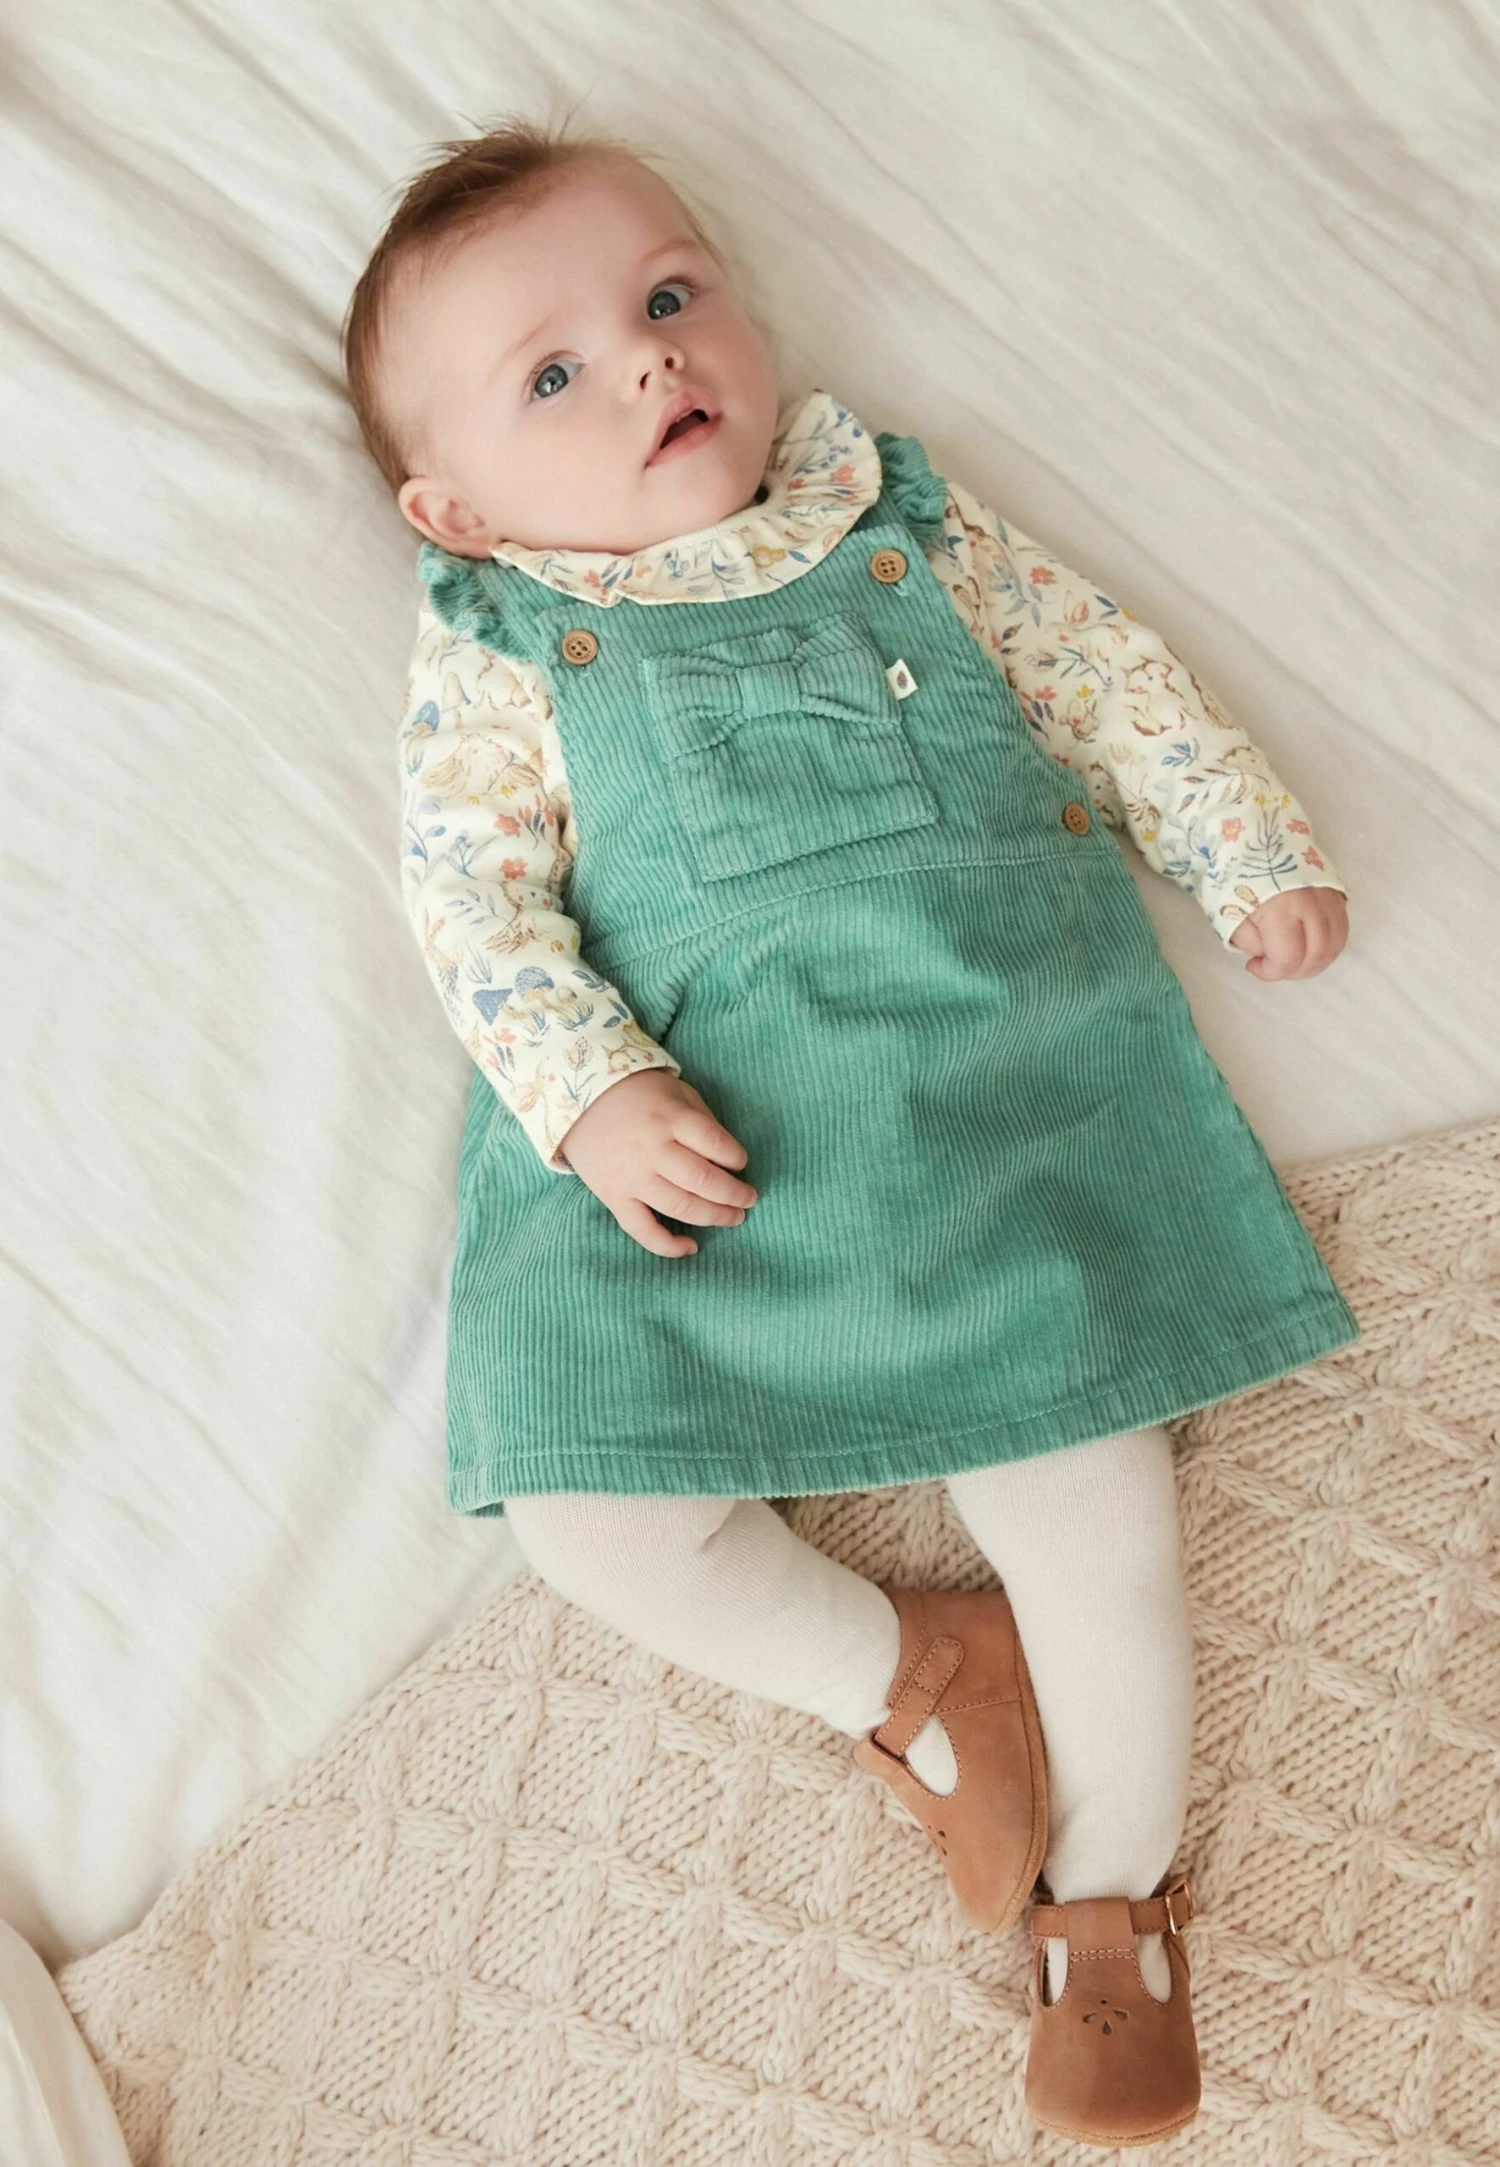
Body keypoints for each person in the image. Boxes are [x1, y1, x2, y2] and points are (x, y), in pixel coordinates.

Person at [343, 112, 1360, 2147]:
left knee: (1097, 1510)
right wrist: (591, 1090)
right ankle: (904, 1671)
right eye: (557, 372)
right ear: (451, 508)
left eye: (670, 295)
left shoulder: (891, 513)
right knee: (589, 1516)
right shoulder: (499, 648)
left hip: (984, 1096)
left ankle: (1111, 1909)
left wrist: (1240, 836)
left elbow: (1093, 669)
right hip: (703, 1151)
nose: (649, 359)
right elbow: (473, 905)